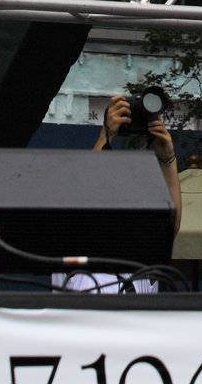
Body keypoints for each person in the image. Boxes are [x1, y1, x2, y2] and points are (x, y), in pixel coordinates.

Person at [53, 94, 182, 294]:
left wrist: (168, 159)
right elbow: (80, 204)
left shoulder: (143, 267)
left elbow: (169, 225)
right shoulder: (78, 261)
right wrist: (106, 134)